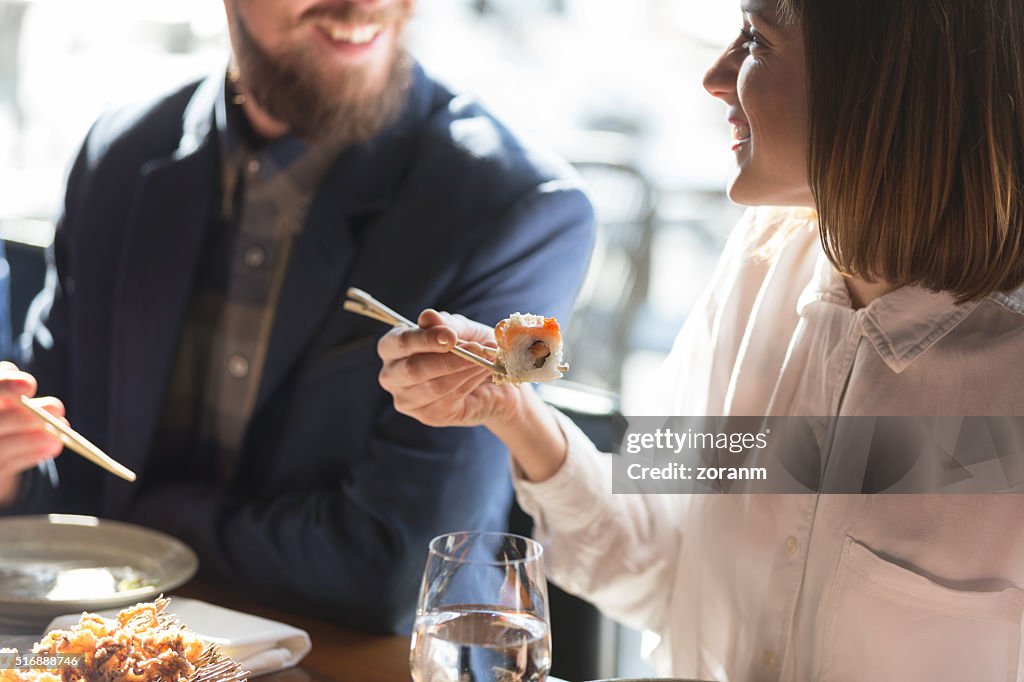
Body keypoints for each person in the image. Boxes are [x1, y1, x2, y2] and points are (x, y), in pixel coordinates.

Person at [377, 0, 1024, 678]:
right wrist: (509, 410)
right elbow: (661, 563)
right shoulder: (759, 266)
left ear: (882, 85)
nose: (716, 76)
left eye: (757, 41)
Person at [0, 0, 594, 633]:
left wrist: (138, 519)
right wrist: (11, 475)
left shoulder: (516, 211)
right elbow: (61, 481)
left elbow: (392, 571)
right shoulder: (119, 155)